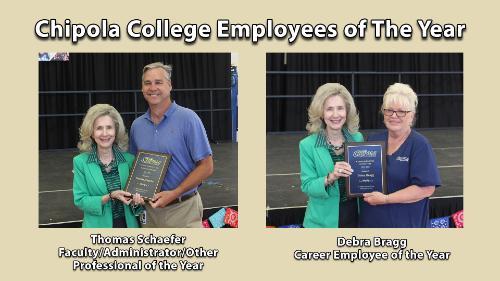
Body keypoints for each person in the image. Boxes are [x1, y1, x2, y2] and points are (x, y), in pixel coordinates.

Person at [129, 62, 214, 228]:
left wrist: (175, 192)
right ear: (142, 88)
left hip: (183, 209)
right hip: (149, 212)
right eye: (147, 83)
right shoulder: (137, 126)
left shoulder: (188, 119)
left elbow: (207, 166)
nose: (152, 87)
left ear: (170, 86)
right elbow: (135, 167)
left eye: (158, 82)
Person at [359, 83, 441, 228]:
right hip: (371, 224)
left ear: (412, 116)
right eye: (389, 110)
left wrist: (386, 199)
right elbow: (363, 177)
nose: (394, 116)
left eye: (401, 111)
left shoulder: (419, 145)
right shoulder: (373, 139)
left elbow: (427, 188)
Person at [299, 83, 364, 228]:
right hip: (321, 222)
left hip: (354, 217)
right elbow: (307, 186)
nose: (336, 115)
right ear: (321, 113)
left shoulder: (357, 138)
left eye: (340, 108)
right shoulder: (307, 145)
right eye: (329, 109)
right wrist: (330, 177)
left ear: (347, 111)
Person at [73, 104, 142, 228]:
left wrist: (137, 202)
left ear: (116, 130)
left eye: (109, 127)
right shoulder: (80, 162)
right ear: (92, 133)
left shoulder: (130, 160)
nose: (105, 133)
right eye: (99, 128)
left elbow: (137, 205)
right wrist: (109, 197)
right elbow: (80, 200)